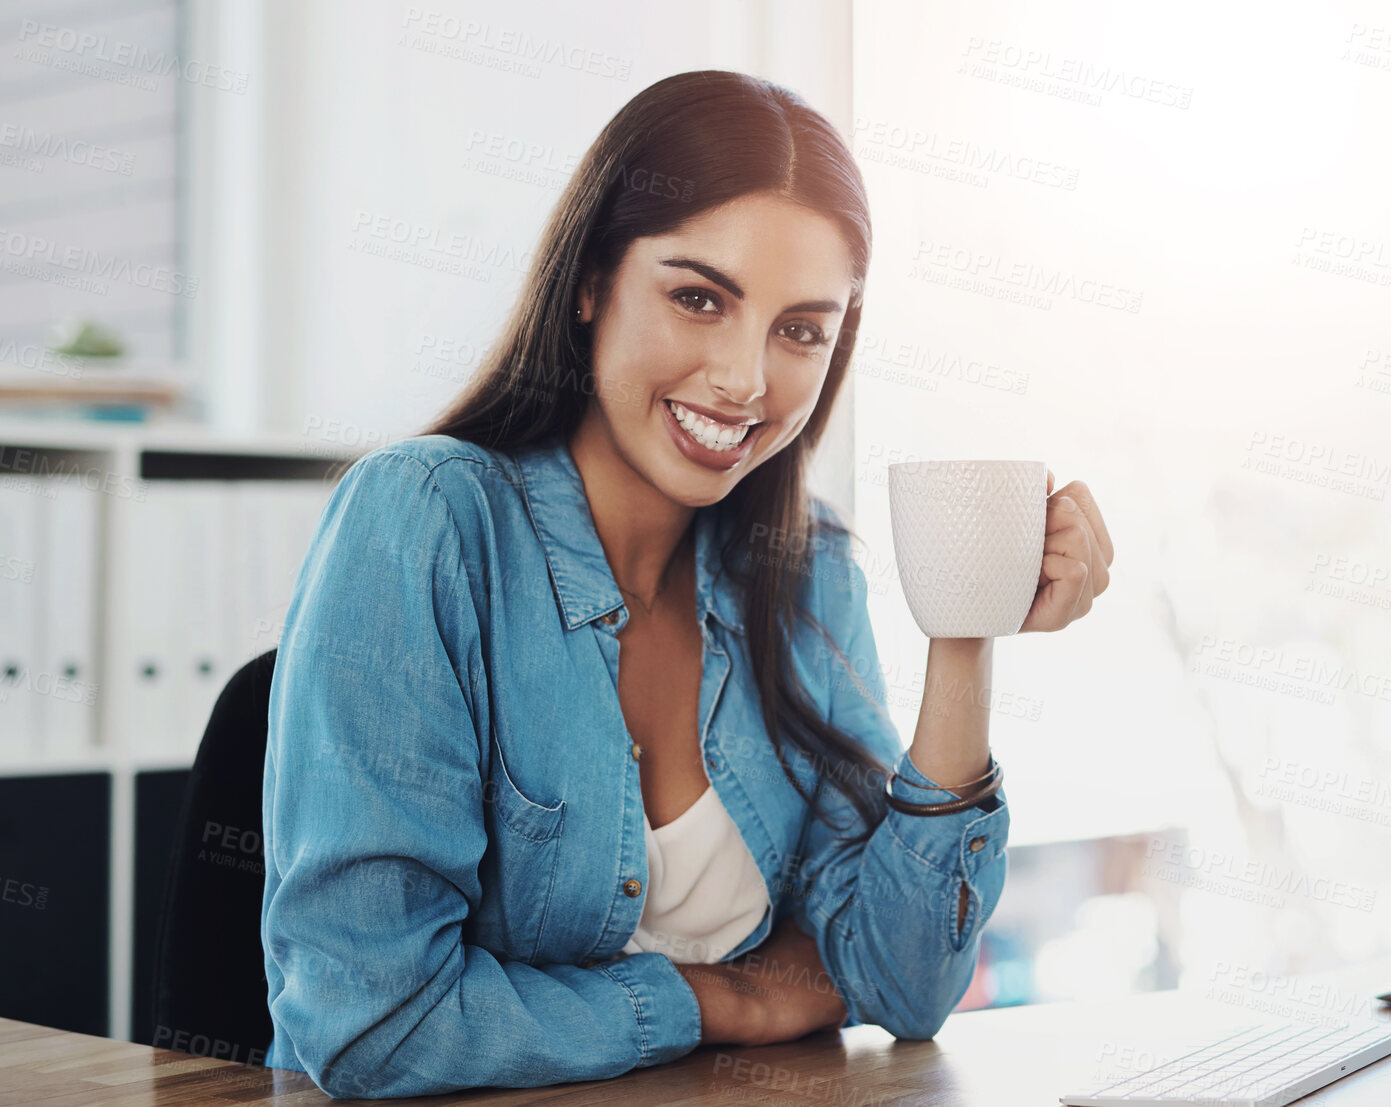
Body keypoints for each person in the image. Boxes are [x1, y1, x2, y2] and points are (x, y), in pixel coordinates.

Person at [258, 69, 1114, 1098]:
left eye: (800, 329)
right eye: (698, 298)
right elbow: (374, 1021)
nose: (746, 379)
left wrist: (966, 627)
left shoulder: (802, 570)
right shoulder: (427, 520)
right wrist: (726, 999)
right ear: (589, 284)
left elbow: (901, 981)